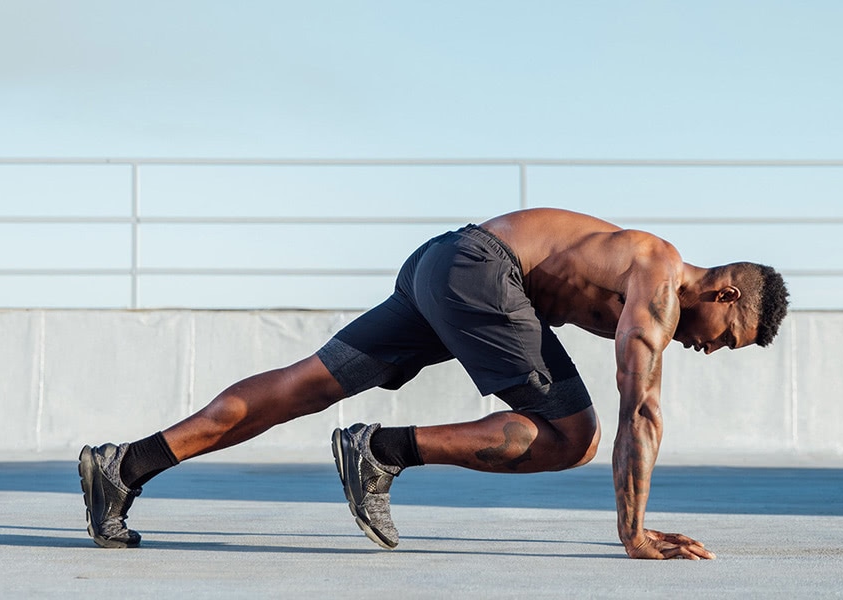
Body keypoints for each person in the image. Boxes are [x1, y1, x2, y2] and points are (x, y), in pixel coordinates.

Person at [78, 207, 789, 560]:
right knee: (574, 434)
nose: (712, 350)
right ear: (725, 293)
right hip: (483, 270)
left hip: (443, 264)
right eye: (728, 338)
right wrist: (632, 532)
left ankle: (125, 465)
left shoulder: (648, 276)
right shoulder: (660, 281)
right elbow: (642, 408)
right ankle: (380, 450)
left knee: (304, 384)